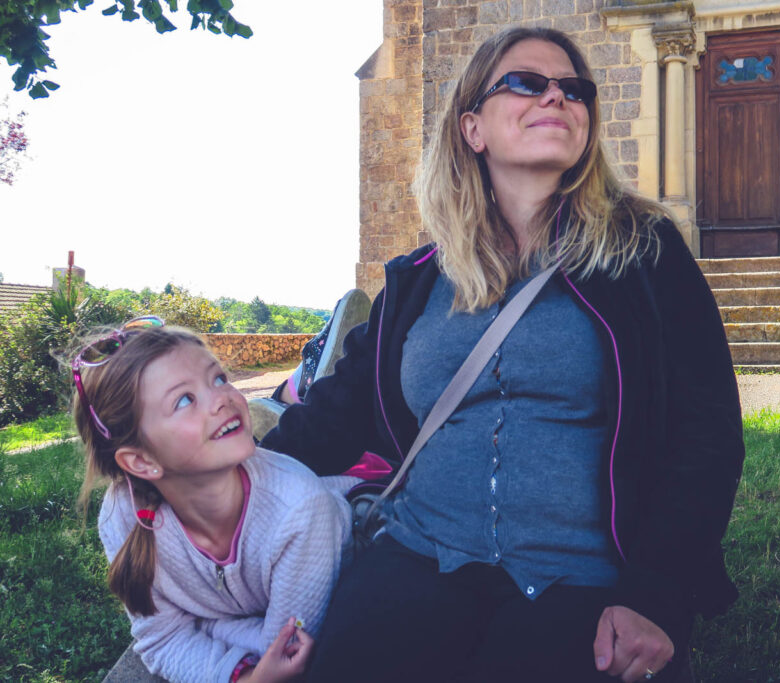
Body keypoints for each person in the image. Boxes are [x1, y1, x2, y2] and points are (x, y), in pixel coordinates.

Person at [261, 25, 745, 683]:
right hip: (418, 553)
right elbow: (331, 417)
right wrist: (207, 472)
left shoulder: (643, 253)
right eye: (526, 82)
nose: (557, 97)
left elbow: (706, 433)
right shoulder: (418, 280)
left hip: (582, 576)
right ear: (472, 128)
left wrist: (654, 594)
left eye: (574, 91)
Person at [71, 317, 359, 683]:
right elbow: (161, 642)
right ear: (142, 461)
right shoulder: (122, 517)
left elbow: (287, 653)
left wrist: (204, 626)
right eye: (185, 399)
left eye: (219, 378)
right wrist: (245, 678)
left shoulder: (301, 511)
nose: (222, 398)